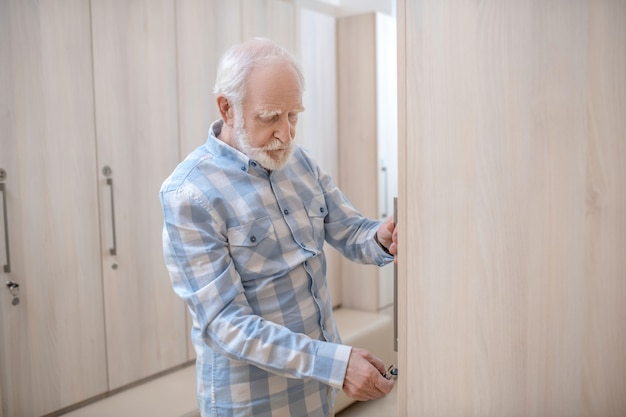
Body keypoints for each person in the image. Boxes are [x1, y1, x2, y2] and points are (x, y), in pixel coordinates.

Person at [160, 38, 398, 417]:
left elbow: (351, 231)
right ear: (227, 108)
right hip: (252, 402)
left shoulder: (298, 160)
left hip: (316, 391)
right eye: (270, 117)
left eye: (294, 116)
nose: (286, 134)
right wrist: (334, 363)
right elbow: (226, 323)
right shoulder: (189, 194)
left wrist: (382, 237)